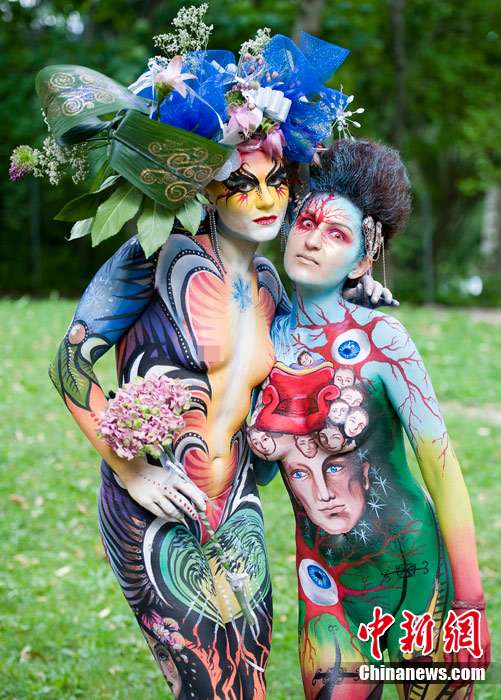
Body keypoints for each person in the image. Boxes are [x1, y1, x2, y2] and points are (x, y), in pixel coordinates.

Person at [46, 20, 383, 699]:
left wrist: (355, 285)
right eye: (239, 183)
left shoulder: (271, 287)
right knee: (206, 686)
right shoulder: (154, 256)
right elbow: (69, 362)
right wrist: (132, 470)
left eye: (276, 181)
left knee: (248, 682)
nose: (264, 199)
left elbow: (308, 354)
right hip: (158, 507)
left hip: (238, 506)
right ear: (203, 186)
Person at [250, 139, 490, 699]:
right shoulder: (259, 343)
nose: (313, 239)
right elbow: (258, 473)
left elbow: (441, 467)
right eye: (307, 223)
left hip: (417, 579)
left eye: (337, 234)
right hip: (325, 585)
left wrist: (470, 599)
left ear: (361, 261)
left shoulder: (384, 338)